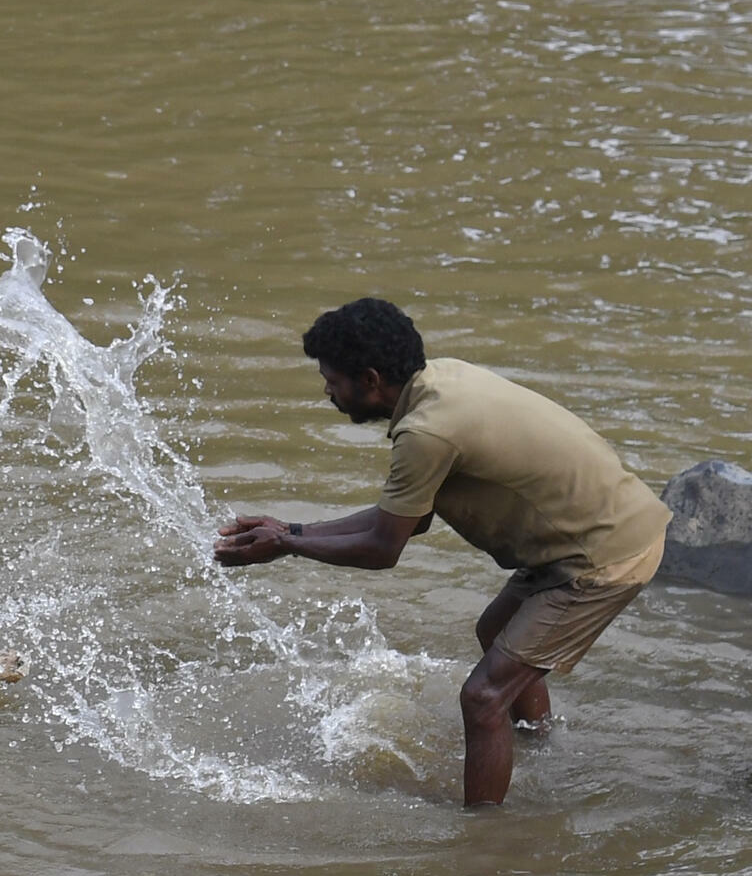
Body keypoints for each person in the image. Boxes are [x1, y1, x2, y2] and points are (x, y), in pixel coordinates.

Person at [213, 297, 670, 806]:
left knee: (482, 698)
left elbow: (384, 548)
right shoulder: (442, 381)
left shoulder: (424, 433)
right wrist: (292, 530)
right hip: (602, 528)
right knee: (494, 632)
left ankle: (482, 842)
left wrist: (287, 546)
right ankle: (542, 747)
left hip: (605, 555)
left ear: (369, 379)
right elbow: (410, 519)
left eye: (332, 380)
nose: (327, 391)